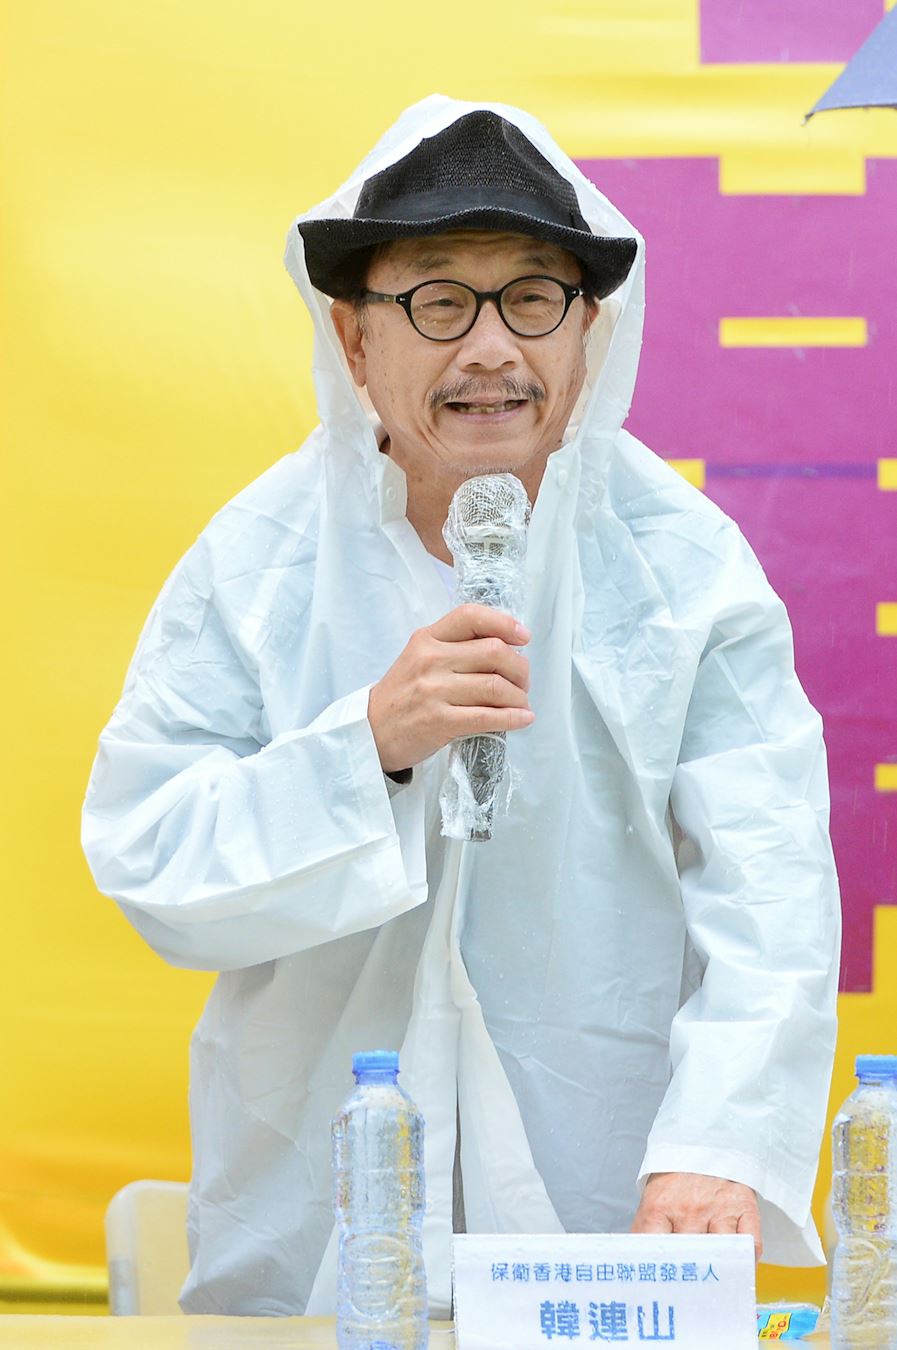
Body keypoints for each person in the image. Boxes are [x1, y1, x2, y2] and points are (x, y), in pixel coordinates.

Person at [82, 95, 841, 1317]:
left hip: (606, 1227)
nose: (491, 349)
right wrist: (368, 748)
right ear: (352, 334)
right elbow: (153, 855)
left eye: (532, 298)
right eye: (439, 301)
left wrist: (720, 1140)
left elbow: (771, 887)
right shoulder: (259, 563)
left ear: (590, 329)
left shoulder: (684, 568)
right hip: (319, 1227)